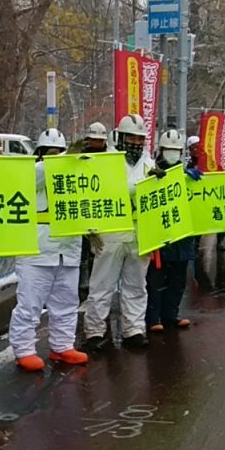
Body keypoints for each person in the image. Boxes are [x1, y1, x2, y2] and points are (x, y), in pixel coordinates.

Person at [8, 128, 89, 372]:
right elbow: (35, 176)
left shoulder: (73, 174)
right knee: (30, 305)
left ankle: (63, 345)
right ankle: (24, 350)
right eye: (51, 153)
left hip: (68, 249)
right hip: (37, 252)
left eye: (60, 153)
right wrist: (62, 161)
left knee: (66, 303)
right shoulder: (33, 173)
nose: (57, 158)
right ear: (41, 154)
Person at [81, 114, 154, 352]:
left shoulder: (149, 164)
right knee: (102, 284)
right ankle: (94, 331)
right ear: (120, 137)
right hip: (111, 231)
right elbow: (93, 195)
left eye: (139, 138)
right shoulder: (106, 161)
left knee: (136, 285)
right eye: (131, 137)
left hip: (140, 233)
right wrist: (90, 228)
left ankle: (133, 329)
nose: (135, 142)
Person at [146, 129, 201, 332]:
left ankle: (171, 314)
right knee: (156, 280)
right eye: (168, 149)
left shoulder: (185, 173)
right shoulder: (151, 172)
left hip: (182, 234)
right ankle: (153, 318)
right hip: (160, 235)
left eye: (176, 150)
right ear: (161, 150)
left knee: (178, 279)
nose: (172, 153)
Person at [78, 122, 110, 300]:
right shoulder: (78, 158)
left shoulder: (110, 159)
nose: (96, 144)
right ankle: (83, 285)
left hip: (102, 210)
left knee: (98, 251)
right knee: (83, 250)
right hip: (82, 207)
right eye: (93, 140)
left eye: (100, 141)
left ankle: (95, 285)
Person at [187, 135, 225, 251]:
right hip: (199, 198)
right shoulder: (190, 165)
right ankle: (195, 243)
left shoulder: (211, 161)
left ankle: (219, 242)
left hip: (213, 195)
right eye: (193, 148)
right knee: (198, 220)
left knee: (220, 218)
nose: (196, 150)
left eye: (198, 147)